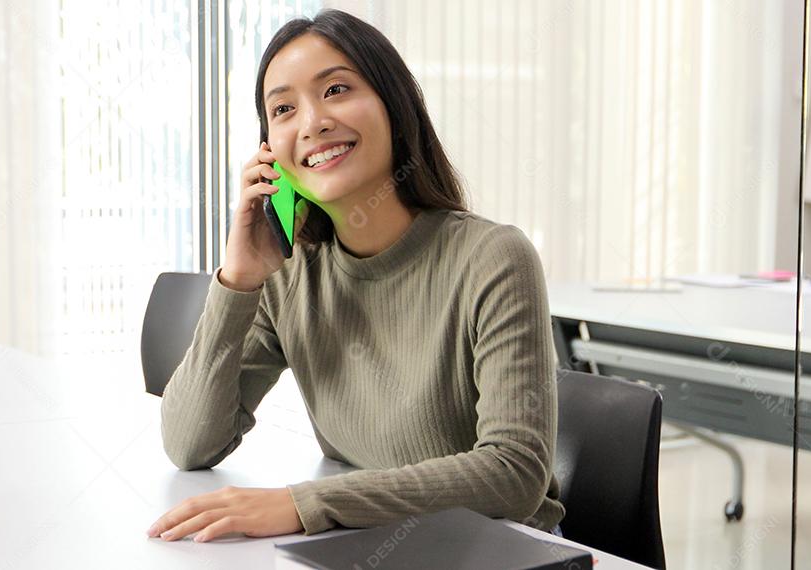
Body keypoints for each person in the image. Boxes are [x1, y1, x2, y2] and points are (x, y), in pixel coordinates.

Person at [147, 8, 564, 544]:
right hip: (373, 541)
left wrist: (305, 504)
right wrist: (238, 280)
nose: (312, 122)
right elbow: (188, 444)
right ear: (269, 149)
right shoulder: (289, 270)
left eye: (337, 89)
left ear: (395, 105)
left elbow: (514, 473)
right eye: (283, 108)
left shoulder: (493, 257)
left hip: (502, 548)